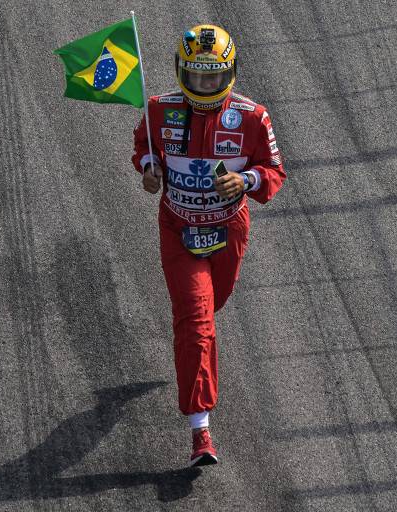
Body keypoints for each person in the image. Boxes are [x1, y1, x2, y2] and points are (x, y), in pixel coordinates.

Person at [131, 24, 286, 466]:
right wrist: (148, 168)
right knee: (196, 320)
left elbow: (274, 171)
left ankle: (193, 343)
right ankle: (200, 431)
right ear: (182, 72)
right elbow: (143, 146)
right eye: (197, 76)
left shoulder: (253, 116)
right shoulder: (158, 109)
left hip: (227, 231)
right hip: (178, 229)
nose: (205, 85)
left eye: (214, 76)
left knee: (212, 305)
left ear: (229, 73)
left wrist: (248, 179)